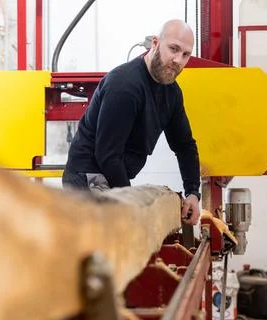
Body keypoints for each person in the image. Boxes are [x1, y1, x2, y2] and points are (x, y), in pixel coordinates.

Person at [62, 19, 201, 225]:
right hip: (88, 177)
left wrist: (192, 193)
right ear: (155, 43)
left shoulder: (171, 93)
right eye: (173, 49)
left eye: (185, 54)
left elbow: (185, 146)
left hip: (110, 174)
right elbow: (108, 155)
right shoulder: (125, 86)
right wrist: (133, 206)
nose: (178, 60)